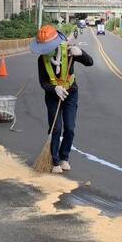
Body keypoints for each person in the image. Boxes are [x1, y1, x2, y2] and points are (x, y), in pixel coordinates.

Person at [31, 24, 93, 174]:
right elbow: (43, 83)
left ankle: (64, 157)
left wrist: (81, 53)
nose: (47, 51)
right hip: (53, 95)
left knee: (70, 128)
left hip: (71, 92)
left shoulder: (69, 52)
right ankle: (55, 160)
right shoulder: (42, 60)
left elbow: (90, 62)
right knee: (56, 128)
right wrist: (54, 89)